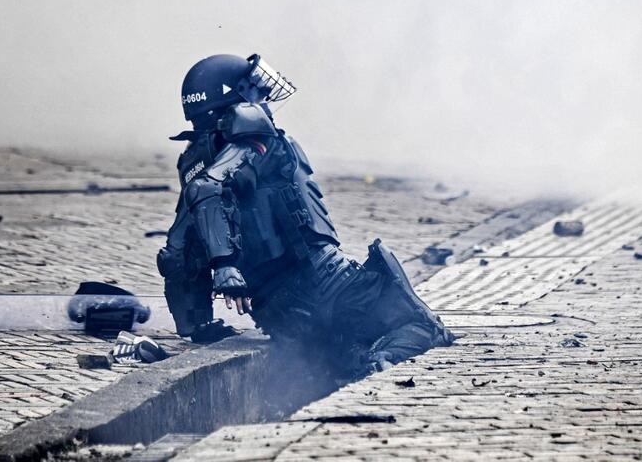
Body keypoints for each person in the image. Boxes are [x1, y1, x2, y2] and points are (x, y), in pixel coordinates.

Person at [156, 54, 453, 377]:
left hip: (280, 316)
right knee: (424, 327)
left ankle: (354, 362)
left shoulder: (194, 161)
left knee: (340, 356)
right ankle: (378, 363)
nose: (264, 99)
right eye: (254, 91)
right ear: (233, 100)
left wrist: (198, 325)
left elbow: (176, 255)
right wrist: (225, 265)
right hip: (329, 284)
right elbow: (207, 189)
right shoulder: (252, 138)